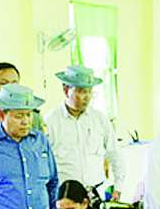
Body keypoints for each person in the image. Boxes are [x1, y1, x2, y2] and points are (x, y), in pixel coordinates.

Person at [42, 65, 124, 202]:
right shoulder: (51, 121)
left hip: (95, 193)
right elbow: (43, 164)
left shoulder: (99, 119)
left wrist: (118, 186)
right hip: (65, 196)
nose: (87, 97)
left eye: (90, 92)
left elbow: (114, 153)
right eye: (81, 91)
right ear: (66, 90)